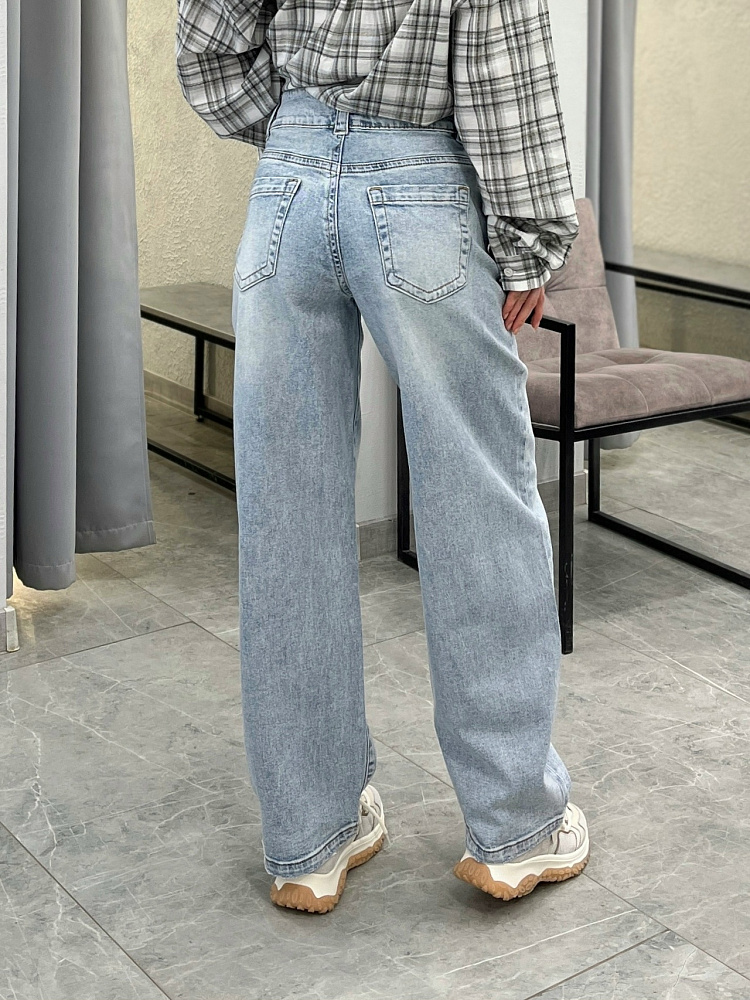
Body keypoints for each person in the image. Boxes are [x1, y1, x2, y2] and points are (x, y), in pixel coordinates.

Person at [175, 0, 590, 914]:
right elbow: (505, 66)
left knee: (286, 519)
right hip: (421, 187)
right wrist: (530, 243)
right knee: (480, 508)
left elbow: (208, 42)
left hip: (285, 194)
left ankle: (309, 838)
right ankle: (516, 827)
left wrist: (303, 131)